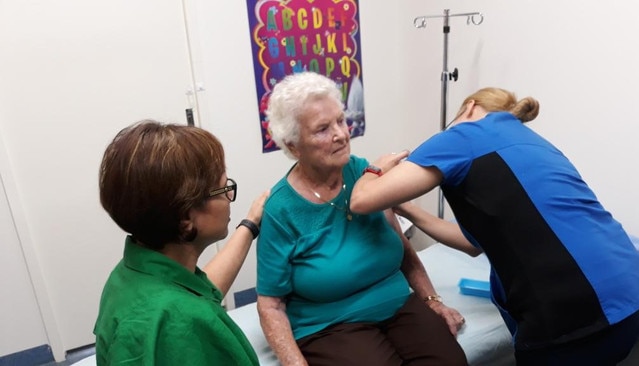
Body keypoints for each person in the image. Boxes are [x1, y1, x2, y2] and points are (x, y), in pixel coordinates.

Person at [350, 87, 639, 365]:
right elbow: (472, 244)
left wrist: (373, 169)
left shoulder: (463, 135)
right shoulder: (530, 140)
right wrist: (408, 209)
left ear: (469, 107)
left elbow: (361, 201)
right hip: (633, 293)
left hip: (575, 318)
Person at [255, 71, 468, 366]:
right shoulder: (281, 209)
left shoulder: (364, 173)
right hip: (330, 323)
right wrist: (295, 363)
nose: (341, 134)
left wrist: (432, 300)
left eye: (341, 120)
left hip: (397, 303)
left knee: (451, 362)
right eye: (322, 129)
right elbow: (270, 303)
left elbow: (402, 247)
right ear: (293, 146)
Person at [94, 120, 268, 366]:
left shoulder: (129, 276)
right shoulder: (182, 324)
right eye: (222, 189)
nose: (229, 197)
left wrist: (250, 223)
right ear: (186, 218)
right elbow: (188, 311)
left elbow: (199, 292)